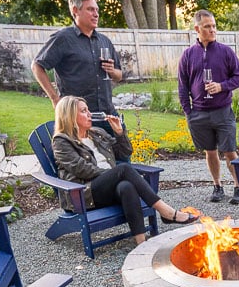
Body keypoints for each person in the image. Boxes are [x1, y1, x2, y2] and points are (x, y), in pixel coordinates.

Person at [51, 96, 197, 245]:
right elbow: (82, 170)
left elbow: (125, 152)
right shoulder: (62, 141)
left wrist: (120, 134)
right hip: (85, 193)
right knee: (124, 169)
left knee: (126, 186)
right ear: (69, 116)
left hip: (107, 189)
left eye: (88, 109)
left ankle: (141, 242)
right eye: (83, 111)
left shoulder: (97, 133)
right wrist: (114, 175)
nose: (89, 114)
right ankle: (166, 212)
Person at [33, 0, 126, 153]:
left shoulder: (104, 41)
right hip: (78, 119)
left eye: (97, 10)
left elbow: (119, 76)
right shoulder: (63, 38)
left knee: (122, 157)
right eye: (90, 9)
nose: (96, 14)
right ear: (75, 11)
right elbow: (37, 65)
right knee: (86, 167)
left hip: (108, 115)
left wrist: (112, 71)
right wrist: (55, 98)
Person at [178, 10, 239, 204]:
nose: (212, 30)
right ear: (197, 29)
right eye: (207, 26)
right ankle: (217, 186)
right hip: (198, 113)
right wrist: (188, 112)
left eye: (214, 26)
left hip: (222, 111)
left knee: (229, 151)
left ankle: (238, 186)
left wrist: (221, 86)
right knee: (210, 151)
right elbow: (182, 86)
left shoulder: (225, 51)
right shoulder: (188, 55)